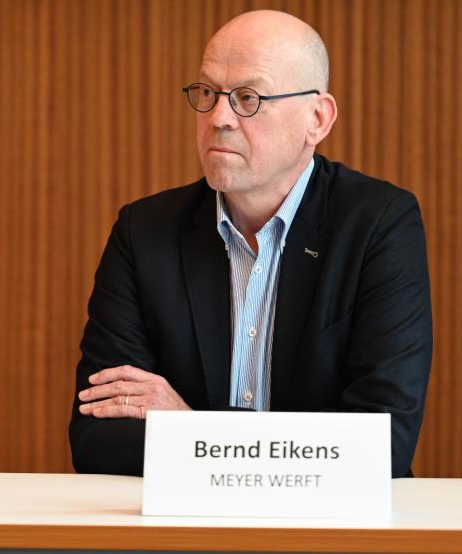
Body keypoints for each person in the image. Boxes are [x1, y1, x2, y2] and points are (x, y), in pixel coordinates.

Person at [70, 10, 431, 478]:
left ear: (317, 119)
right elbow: (98, 439)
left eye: (248, 98)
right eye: (207, 93)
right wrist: (277, 451)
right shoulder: (144, 232)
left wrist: (190, 427)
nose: (219, 118)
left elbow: (380, 449)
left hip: (329, 537)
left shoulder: (379, 225)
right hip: (180, 538)